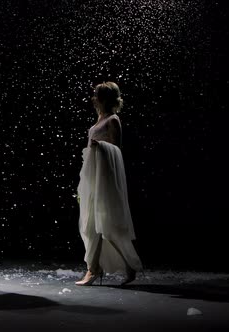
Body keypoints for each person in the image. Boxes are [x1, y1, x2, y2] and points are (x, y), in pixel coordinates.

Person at [75, 81, 143, 286]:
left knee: (103, 226)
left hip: (105, 182)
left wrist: (101, 147)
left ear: (104, 98)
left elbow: (117, 152)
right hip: (91, 179)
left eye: (96, 94)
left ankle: (93, 270)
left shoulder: (113, 120)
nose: (93, 98)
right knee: (89, 225)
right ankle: (125, 267)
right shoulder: (98, 120)